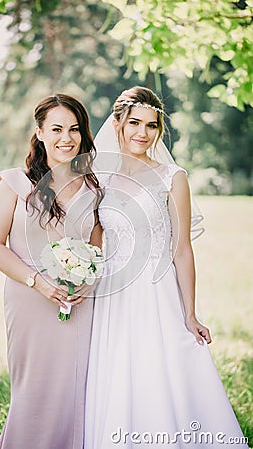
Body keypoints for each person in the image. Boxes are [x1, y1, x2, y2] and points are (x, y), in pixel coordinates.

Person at [85, 86, 248, 448]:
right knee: (118, 374)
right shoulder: (100, 178)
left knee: (161, 369)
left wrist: (190, 312)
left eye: (152, 126)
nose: (143, 133)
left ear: (160, 131)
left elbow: (182, 249)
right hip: (112, 296)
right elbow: (95, 239)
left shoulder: (172, 176)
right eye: (134, 123)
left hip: (157, 292)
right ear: (117, 125)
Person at [0, 94, 102, 449]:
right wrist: (39, 283)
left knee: (75, 387)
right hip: (29, 297)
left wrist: (89, 282)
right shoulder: (16, 184)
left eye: (74, 129)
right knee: (33, 388)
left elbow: (97, 248)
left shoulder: (94, 190)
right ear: (39, 132)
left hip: (77, 303)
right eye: (56, 129)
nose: (66, 138)